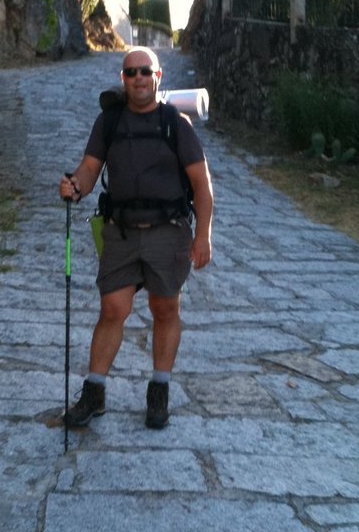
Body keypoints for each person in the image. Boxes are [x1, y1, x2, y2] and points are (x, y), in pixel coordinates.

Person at [58, 47, 214, 430]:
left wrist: (204, 235)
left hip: (168, 232)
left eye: (145, 71)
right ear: (123, 79)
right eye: (131, 73)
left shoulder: (176, 124)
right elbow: (91, 168)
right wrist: (76, 187)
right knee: (112, 309)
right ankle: (94, 393)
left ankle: (158, 389)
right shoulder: (109, 122)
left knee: (165, 310)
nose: (138, 78)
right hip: (121, 232)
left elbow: (201, 185)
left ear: (157, 77)